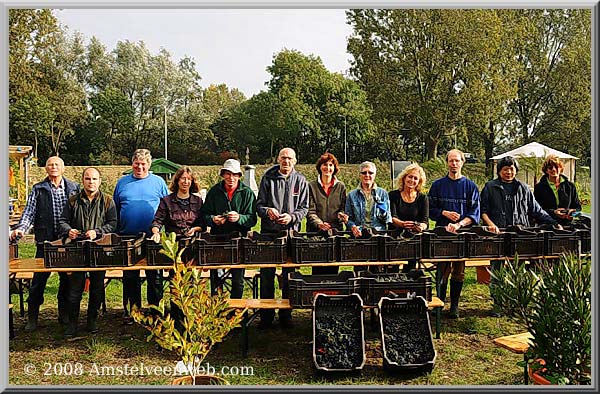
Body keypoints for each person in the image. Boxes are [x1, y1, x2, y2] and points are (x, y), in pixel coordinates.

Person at [480, 156, 560, 316]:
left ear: (516, 170)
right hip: (499, 235)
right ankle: (498, 304)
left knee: (518, 269)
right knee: (497, 270)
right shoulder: (490, 187)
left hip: (521, 235)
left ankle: (516, 303)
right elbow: (482, 210)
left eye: (512, 169)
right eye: (505, 169)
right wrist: (490, 224)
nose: (509, 172)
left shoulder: (524, 188)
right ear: (499, 171)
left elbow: (536, 210)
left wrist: (553, 222)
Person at [10, 156, 80, 332]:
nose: (53, 167)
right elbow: (29, 213)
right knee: (38, 281)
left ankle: (63, 314)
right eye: (50, 165)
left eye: (57, 165)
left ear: (63, 168)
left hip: (67, 243)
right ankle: (32, 317)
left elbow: (80, 213)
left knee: (66, 280)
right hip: (45, 242)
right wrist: (21, 229)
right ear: (46, 169)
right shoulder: (38, 189)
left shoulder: (74, 188)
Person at [58, 167, 117, 338]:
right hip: (77, 250)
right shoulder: (72, 201)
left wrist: (98, 232)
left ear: (100, 181)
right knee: (75, 288)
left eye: (94, 179)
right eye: (88, 178)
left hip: (99, 250)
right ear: (82, 180)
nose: (91, 182)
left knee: (97, 287)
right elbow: (62, 221)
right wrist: (69, 230)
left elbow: (113, 223)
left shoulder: (108, 201)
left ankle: (92, 320)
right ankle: (73, 323)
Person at [113, 149, 168, 323]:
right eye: (137, 164)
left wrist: (159, 230)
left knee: (155, 277)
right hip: (127, 237)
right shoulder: (122, 183)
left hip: (153, 238)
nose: (140, 167)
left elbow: (167, 208)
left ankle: (155, 312)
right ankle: (132, 312)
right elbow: (114, 209)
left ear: (149, 165)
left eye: (143, 164)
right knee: (130, 277)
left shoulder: (158, 182)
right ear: (132, 165)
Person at [256, 148, 309, 329]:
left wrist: (292, 217)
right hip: (269, 233)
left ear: (295, 161)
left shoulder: (301, 181)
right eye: (283, 158)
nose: (286, 161)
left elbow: (304, 208)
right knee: (267, 275)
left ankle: (286, 315)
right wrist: (267, 211)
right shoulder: (267, 178)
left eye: (289, 158)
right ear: (278, 159)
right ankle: (266, 316)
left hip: (291, 234)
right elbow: (259, 205)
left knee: (289, 276)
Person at [428, 149, 480, 319]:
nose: (454, 164)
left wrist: (459, 224)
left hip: (462, 234)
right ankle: (439, 303)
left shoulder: (471, 187)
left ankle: (455, 306)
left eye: (457, 161)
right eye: (451, 161)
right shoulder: (437, 185)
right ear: (447, 163)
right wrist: (444, 213)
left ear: (462, 162)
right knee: (442, 269)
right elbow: (430, 209)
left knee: (459, 270)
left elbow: (475, 214)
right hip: (442, 234)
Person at [202, 159, 257, 298]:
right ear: (223, 175)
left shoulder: (247, 193)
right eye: (227, 174)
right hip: (217, 240)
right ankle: (217, 310)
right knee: (216, 279)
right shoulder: (214, 191)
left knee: (238, 281)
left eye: (234, 174)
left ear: (239, 176)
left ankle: (235, 312)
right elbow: (204, 215)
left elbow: (252, 219)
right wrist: (213, 220)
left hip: (239, 241)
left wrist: (239, 218)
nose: (230, 178)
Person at [307, 152, 347, 275]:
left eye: (331, 165)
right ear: (320, 167)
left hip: (335, 233)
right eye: (325, 164)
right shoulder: (311, 186)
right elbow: (310, 210)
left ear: (335, 168)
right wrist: (319, 224)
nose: (327, 168)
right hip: (316, 233)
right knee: (318, 269)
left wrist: (342, 216)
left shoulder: (341, 187)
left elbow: (343, 208)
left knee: (333, 269)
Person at [388, 163, 429, 273]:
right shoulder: (393, 195)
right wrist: (402, 224)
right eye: (410, 177)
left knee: (411, 268)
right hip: (395, 237)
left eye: (416, 178)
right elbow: (392, 217)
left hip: (413, 239)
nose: (412, 180)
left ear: (419, 182)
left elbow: (425, 220)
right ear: (404, 177)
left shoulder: (423, 198)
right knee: (393, 269)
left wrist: (421, 226)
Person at [150, 166, 204, 243]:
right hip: (172, 242)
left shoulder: (198, 201)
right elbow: (157, 221)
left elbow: (202, 224)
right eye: (183, 178)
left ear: (192, 182)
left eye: (189, 179)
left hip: (192, 242)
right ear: (177, 180)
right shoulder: (166, 201)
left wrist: (195, 229)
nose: (185, 181)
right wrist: (156, 233)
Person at [534, 155, 582, 226]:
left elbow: (578, 208)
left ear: (561, 168)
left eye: (556, 167)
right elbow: (536, 209)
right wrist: (554, 212)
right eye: (550, 167)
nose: (553, 169)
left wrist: (572, 214)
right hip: (547, 226)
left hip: (567, 226)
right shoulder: (539, 187)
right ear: (546, 170)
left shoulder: (570, 186)